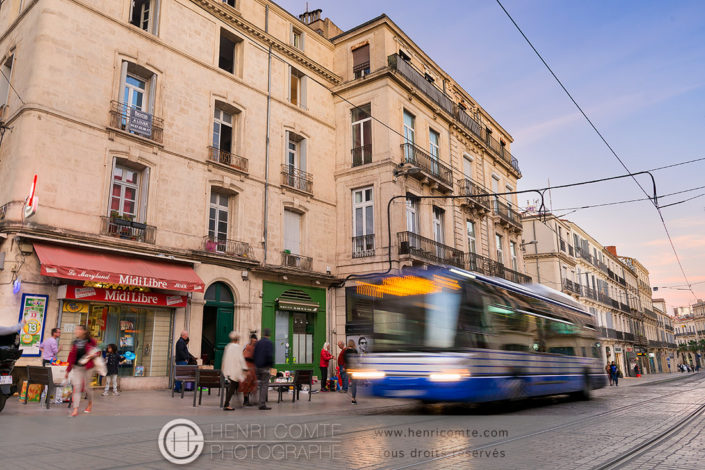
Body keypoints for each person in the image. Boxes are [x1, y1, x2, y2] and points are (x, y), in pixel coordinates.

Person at [65, 325, 98, 417]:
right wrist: (67, 371)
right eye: (76, 329)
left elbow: (97, 353)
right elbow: (71, 357)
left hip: (88, 367)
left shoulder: (91, 341)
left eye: (78, 329)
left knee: (87, 387)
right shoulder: (75, 342)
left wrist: (93, 355)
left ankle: (90, 404)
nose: (76, 331)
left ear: (84, 331)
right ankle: (75, 409)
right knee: (77, 387)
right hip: (77, 367)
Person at [222, 332, 247, 410]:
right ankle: (226, 404)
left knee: (235, 386)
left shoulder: (228, 347)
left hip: (229, 370)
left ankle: (238, 401)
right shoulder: (238, 347)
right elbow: (241, 359)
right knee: (233, 387)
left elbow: (225, 359)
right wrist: (245, 368)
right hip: (235, 370)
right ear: (237, 339)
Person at [253, 328, 273, 410]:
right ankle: (261, 404)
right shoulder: (269, 343)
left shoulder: (258, 343)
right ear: (269, 335)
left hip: (257, 367)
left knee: (257, 383)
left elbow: (254, 354)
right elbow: (269, 355)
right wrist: (270, 366)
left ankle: (253, 399)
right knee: (264, 385)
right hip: (265, 367)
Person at [240, 334, 258, 406]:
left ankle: (249, 399)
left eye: (255, 340)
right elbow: (244, 357)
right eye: (254, 340)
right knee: (247, 384)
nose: (255, 342)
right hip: (247, 368)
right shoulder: (247, 346)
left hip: (252, 368)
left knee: (252, 384)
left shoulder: (255, 347)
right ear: (251, 340)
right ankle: (246, 400)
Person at [346, 340, 359, 404]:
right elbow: (358, 360)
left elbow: (345, 361)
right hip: (355, 369)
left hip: (349, 370)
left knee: (352, 382)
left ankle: (351, 388)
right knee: (354, 384)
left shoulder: (346, 351)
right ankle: (353, 398)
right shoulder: (355, 351)